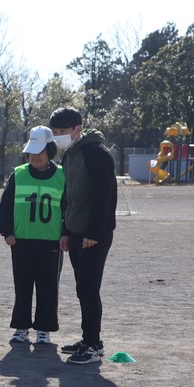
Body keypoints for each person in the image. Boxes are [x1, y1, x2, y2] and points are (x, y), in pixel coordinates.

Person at [49, 106, 117, 364]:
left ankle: (93, 345)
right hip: (76, 232)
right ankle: (88, 338)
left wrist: (93, 233)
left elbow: (104, 197)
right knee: (82, 288)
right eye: (55, 132)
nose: (59, 136)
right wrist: (65, 231)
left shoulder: (96, 153)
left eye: (63, 131)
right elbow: (67, 196)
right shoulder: (69, 155)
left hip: (94, 235)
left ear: (77, 128)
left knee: (89, 288)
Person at [0, 126, 63, 345]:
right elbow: (4, 208)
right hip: (21, 242)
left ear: (50, 150)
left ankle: (44, 329)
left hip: (51, 243)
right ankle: (21, 328)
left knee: (48, 289)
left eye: (40, 151)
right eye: (31, 152)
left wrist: (67, 234)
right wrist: (7, 233)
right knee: (22, 287)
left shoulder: (62, 175)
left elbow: (68, 208)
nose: (35, 156)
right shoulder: (19, 174)